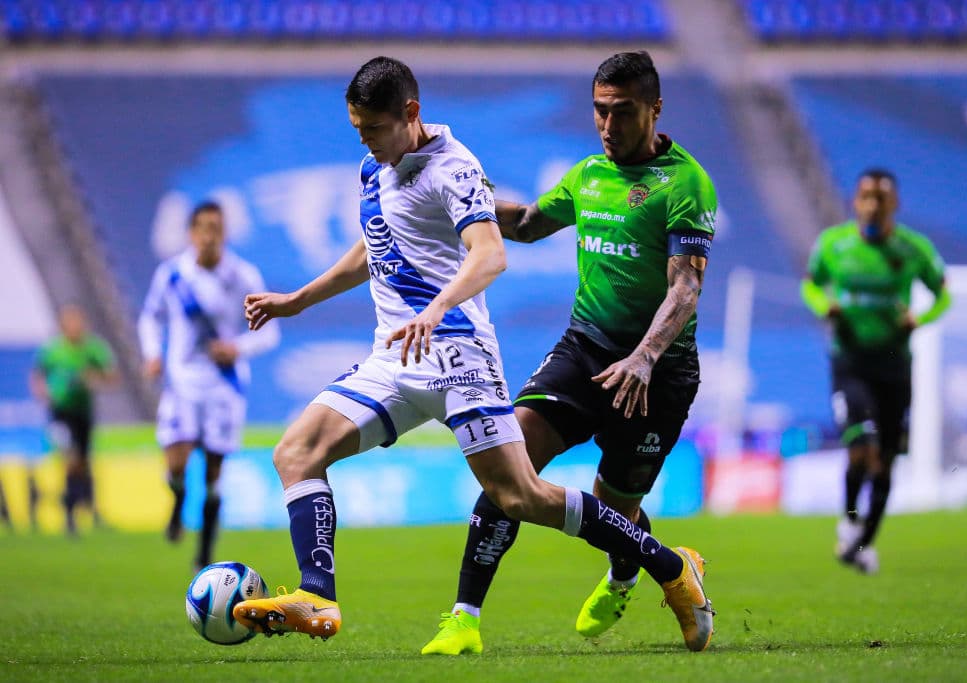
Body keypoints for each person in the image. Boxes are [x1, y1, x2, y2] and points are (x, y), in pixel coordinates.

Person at [232, 56, 714, 653]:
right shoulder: (374, 167)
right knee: (296, 452)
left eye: (374, 129)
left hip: (457, 354)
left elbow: (491, 254)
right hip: (397, 355)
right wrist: (297, 300)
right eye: (359, 129)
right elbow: (377, 244)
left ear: (410, 113)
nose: (366, 141)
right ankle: (318, 595)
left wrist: (437, 305)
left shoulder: (454, 168)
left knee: (520, 497)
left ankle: (669, 567)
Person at [420, 50, 716, 656]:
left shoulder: (686, 183)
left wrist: (644, 357)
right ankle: (464, 618)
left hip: (658, 373)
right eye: (600, 111)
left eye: (622, 111)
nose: (608, 125)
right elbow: (528, 223)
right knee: (510, 462)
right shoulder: (587, 175)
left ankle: (637, 572)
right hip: (584, 350)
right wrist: (463, 201)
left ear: (655, 109)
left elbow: (686, 286)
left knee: (615, 512)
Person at [801, 168, 951, 574]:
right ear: (855, 201)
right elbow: (810, 284)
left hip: (894, 367)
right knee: (860, 450)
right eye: (866, 196)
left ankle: (864, 543)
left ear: (894, 204)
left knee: (884, 461)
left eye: (880, 198)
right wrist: (824, 306)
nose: (872, 205)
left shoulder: (913, 249)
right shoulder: (834, 244)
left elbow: (943, 294)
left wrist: (920, 319)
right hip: (850, 362)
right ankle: (850, 519)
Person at [138, 200, 280, 570]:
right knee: (177, 462)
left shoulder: (242, 276)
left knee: (214, 473)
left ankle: (204, 551)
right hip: (181, 383)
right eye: (202, 228)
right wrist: (152, 354)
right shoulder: (172, 275)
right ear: (190, 233)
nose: (208, 236)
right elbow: (150, 318)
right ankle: (177, 497)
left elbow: (269, 332)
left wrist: (238, 348)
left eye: (215, 228)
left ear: (225, 233)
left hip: (223, 386)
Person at [30, 303, 118, 535]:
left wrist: (94, 377)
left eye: (78, 321)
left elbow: (112, 375)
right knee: (71, 459)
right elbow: (38, 374)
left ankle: (87, 510)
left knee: (83, 464)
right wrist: (43, 391)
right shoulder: (53, 350)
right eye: (70, 321)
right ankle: (70, 515)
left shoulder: (92, 348)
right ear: (62, 325)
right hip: (60, 412)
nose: (74, 326)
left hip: (82, 412)